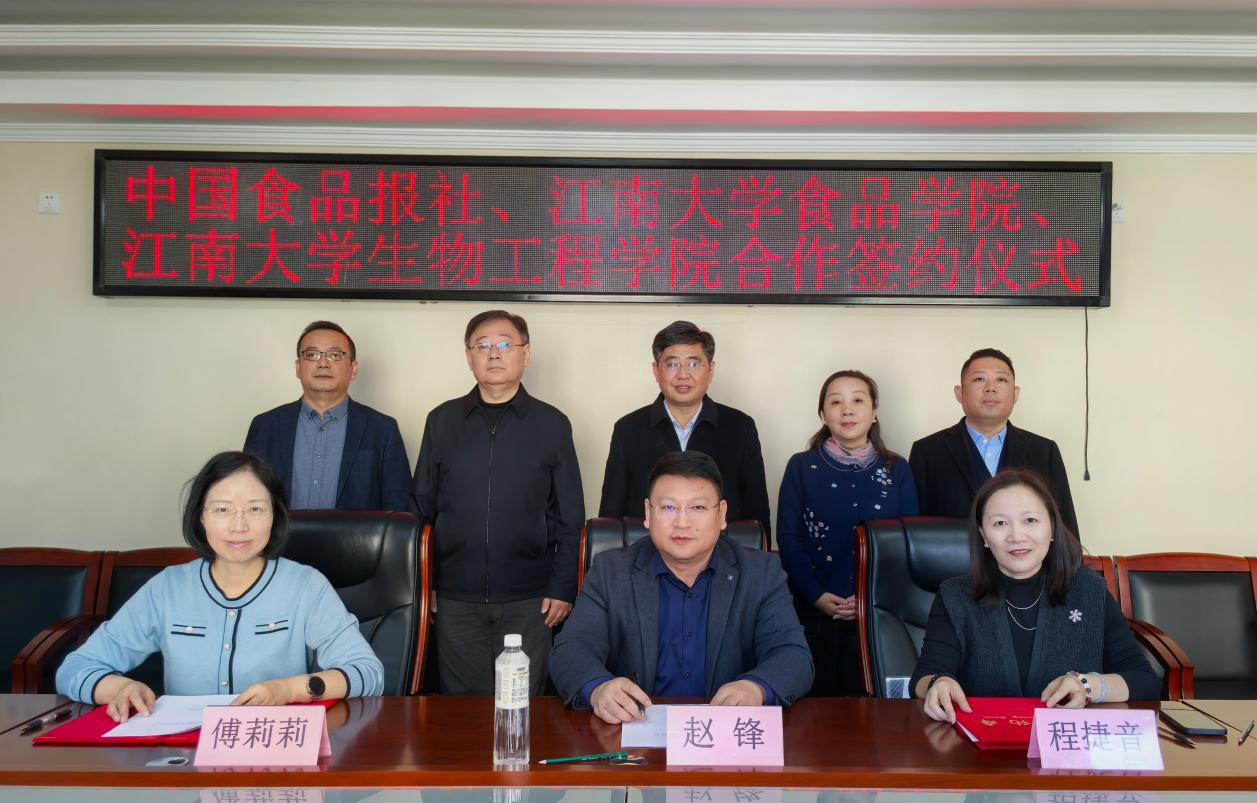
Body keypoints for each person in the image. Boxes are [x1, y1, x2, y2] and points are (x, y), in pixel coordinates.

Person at [56, 451, 384, 722]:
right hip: (185, 755)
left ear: (275, 515)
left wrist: (289, 689)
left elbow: (368, 673)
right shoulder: (169, 588)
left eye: (255, 509)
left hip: (272, 751)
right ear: (201, 516)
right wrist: (119, 689)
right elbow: (74, 668)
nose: (239, 526)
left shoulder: (304, 585)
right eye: (223, 510)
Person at [552, 451, 813, 724]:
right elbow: (571, 649)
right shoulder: (610, 572)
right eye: (668, 508)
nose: (682, 522)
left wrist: (757, 688)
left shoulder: (761, 573)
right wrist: (598, 688)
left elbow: (793, 655)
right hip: (634, 732)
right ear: (648, 513)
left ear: (722, 514)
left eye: (698, 508)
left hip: (724, 736)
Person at [411, 309, 584, 696]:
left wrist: (563, 588)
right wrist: (426, 583)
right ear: (468, 356)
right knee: (462, 712)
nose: (493, 353)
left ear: (526, 353)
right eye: (482, 345)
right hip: (454, 598)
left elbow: (570, 517)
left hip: (531, 599)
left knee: (523, 706)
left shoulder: (552, 424)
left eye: (505, 344)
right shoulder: (442, 421)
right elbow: (421, 510)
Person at [910, 469, 1157, 723]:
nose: (1016, 536)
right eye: (1000, 523)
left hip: (1068, 742)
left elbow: (1143, 680)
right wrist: (938, 683)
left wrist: (1088, 685)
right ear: (983, 535)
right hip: (982, 741)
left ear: (1052, 527)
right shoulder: (955, 596)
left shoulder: (1090, 591)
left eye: (1030, 520)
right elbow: (923, 677)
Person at [777, 369, 919, 696]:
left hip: (882, 611)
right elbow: (788, 536)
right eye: (836, 402)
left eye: (858, 400)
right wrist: (816, 595)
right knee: (816, 711)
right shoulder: (801, 466)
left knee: (878, 711)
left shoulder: (897, 468)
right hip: (813, 607)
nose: (847, 410)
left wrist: (869, 597)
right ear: (823, 414)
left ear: (874, 412)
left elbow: (909, 541)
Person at [599, 320, 771, 539]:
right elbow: (611, 520)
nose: (682, 374)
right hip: (646, 554)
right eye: (672, 364)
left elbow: (756, 521)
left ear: (710, 370)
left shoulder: (740, 428)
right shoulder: (628, 430)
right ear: (656, 371)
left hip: (720, 555)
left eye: (693, 364)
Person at [909, 348, 1079, 536]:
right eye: (979, 379)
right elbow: (915, 532)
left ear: (1015, 394)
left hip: (1024, 555)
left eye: (1001, 380)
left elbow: (1065, 528)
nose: (990, 388)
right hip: (953, 555)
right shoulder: (927, 452)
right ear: (959, 393)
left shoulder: (1044, 451)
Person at [244, 320, 410, 511]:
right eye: (312, 355)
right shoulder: (264, 427)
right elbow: (245, 499)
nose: (323, 363)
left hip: (355, 533)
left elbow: (398, 511)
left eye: (335, 355)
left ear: (353, 369)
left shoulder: (383, 430)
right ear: (298, 367)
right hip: (282, 532)